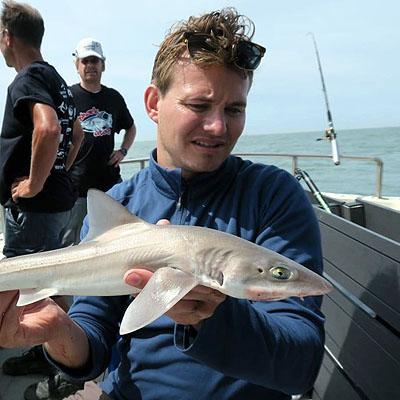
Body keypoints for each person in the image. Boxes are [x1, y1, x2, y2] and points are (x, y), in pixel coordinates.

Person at [0, 7, 327, 400]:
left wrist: (209, 315)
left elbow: (301, 366)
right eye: (199, 106)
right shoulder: (120, 202)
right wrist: (56, 332)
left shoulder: (273, 195)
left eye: (234, 109)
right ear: (154, 104)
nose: (218, 127)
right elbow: (96, 337)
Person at [0, 0, 83, 392]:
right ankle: (56, 355)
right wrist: (59, 171)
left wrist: (34, 183)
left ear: (7, 36)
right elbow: (77, 134)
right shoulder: (56, 80)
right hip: (58, 202)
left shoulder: (27, 78)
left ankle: (49, 360)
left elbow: (47, 129)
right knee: (50, 280)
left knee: (31, 286)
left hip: (33, 207)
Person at [61, 37, 136, 247]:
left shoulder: (114, 98)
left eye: (94, 61)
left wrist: (123, 150)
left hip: (110, 186)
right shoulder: (67, 96)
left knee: (116, 241)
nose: (90, 66)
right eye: (85, 61)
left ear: (103, 65)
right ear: (77, 66)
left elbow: (130, 127)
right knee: (71, 243)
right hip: (75, 187)